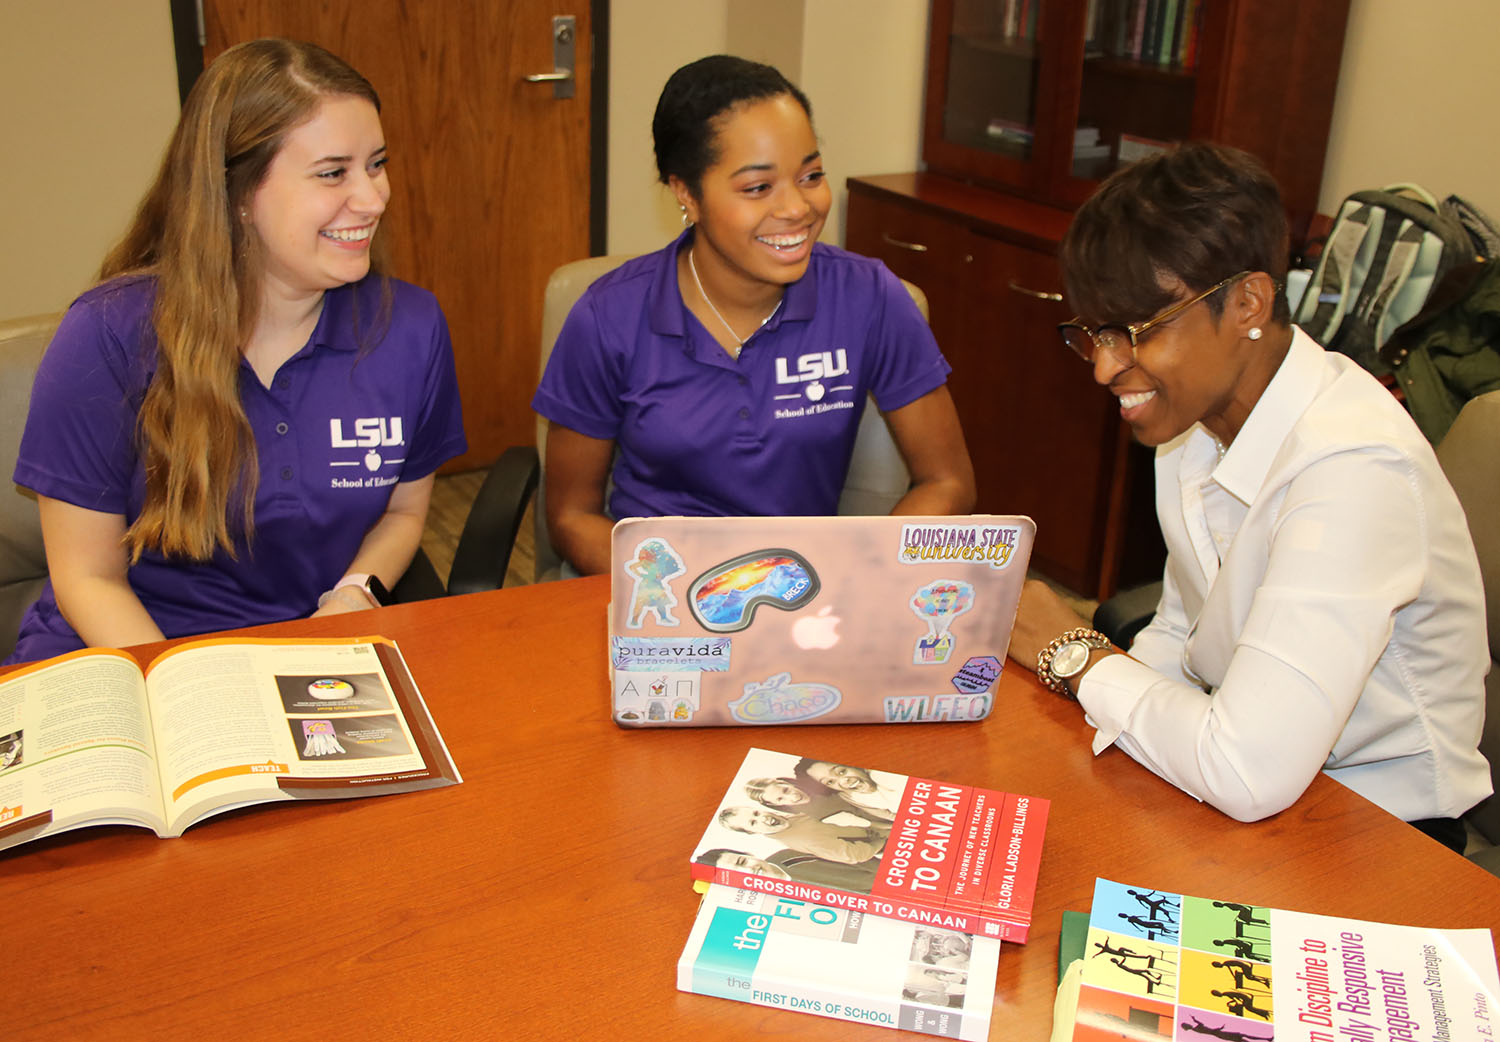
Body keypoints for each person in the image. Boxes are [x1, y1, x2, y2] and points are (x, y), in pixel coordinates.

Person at [1007, 142, 1489, 852]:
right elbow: (1181, 632)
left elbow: (1246, 769)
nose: (1107, 367)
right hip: (1252, 785)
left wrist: (1072, 653)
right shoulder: (1194, 420)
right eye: (1096, 334)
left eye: (1137, 331)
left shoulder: (1355, 466)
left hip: (1379, 832)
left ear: (1248, 304)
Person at [5, 39, 466, 664]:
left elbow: (406, 512)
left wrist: (356, 591)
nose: (373, 197)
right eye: (333, 172)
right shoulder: (108, 332)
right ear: (239, 194)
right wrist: (185, 685)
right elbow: (88, 578)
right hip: (121, 649)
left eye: (377, 164)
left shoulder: (410, 326)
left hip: (302, 655)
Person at [532, 55, 975, 575]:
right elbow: (571, 515)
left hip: (804, 592)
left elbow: (947, 482)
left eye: (811, 175)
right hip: (656, 591)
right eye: (758, 187)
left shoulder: (867, 296)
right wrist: (683, 591)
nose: (797, 208)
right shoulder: (609, 316)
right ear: (686, 194)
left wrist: (858, 574)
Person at [718, 805, 887, 865]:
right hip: (882, 846)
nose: (763, 818)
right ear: (752, 832)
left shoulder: (787, 820)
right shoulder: (803, 838)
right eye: (753, 823)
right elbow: (853, 855)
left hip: (871, 829)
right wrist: (878, 843)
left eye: (756, 813)